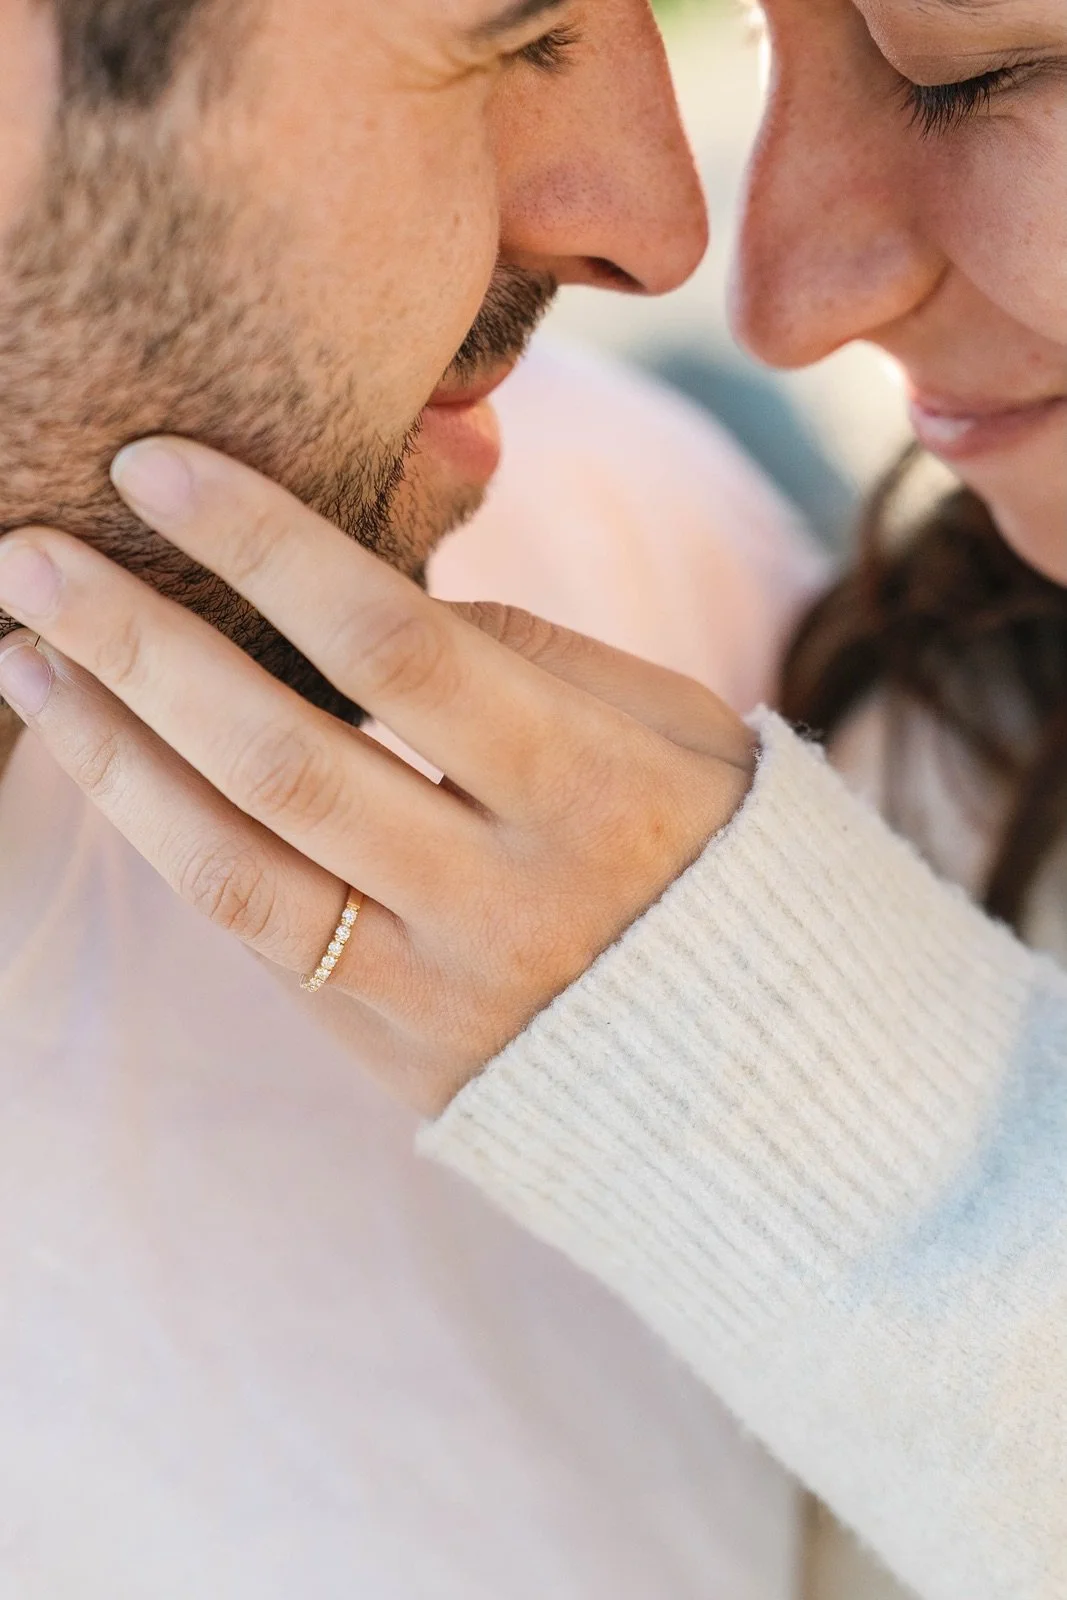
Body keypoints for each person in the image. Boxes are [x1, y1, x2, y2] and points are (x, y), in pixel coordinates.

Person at [3, 0, 1062, 1596]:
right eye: (515, 32)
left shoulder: (629, 599)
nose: (678, 243)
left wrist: (825, 1117)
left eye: (972, 76)